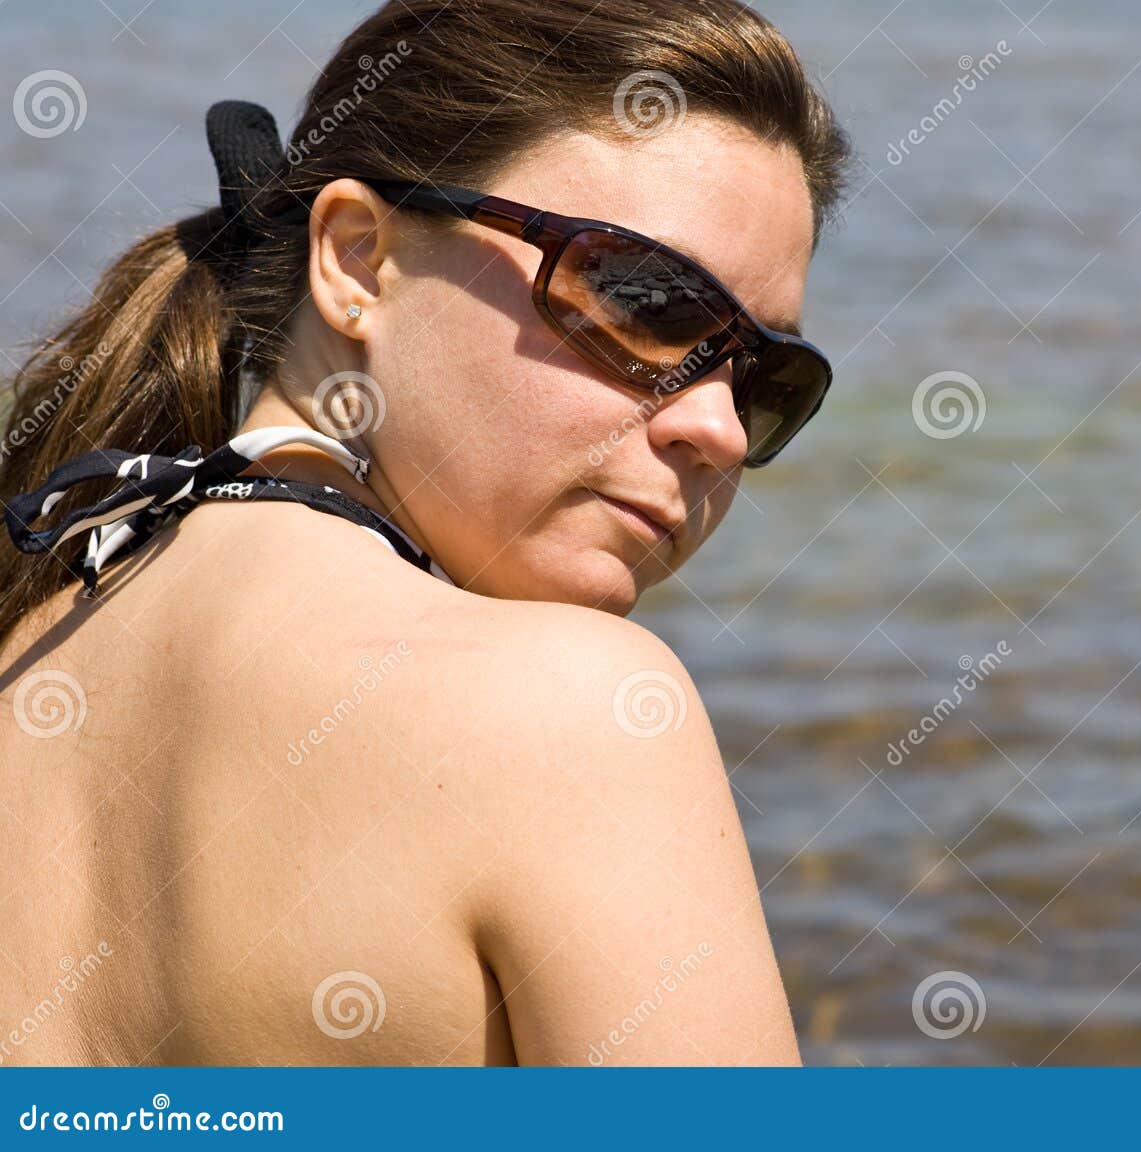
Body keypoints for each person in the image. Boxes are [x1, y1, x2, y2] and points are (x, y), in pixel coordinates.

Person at [0, 0, 852, 1065]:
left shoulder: (32, 649)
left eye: (769, 377)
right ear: (358, 260)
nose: (718, 428)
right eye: (645, 298)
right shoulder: (574, 715)